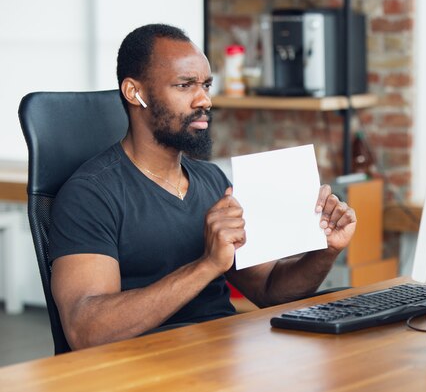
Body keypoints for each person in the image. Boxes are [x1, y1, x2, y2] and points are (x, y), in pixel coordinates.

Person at [48, 24, 357, 351]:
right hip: (146, 370)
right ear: (133, 92)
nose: (205, 99)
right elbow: (86, 331)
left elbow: (268, 289)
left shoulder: (213, 181)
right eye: (185, 85)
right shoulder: (90, 195)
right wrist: (207, 265)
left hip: (223, 357)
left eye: (206, 85)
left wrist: (326, 250)